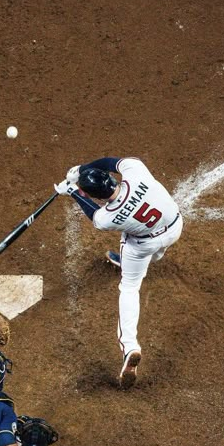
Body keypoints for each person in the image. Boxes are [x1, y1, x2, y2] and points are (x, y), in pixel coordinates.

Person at [54, 157, 183, 387]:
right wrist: (82, 169)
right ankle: (133, 260)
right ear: (110, 179)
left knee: (130, 287)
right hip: (174, 227)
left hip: (144, 244)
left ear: (98, 196)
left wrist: (72, 190)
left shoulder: (107, 218)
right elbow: (110, 161)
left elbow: (93, 214)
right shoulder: (136, 170)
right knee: (151, 247)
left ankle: (130, 346)